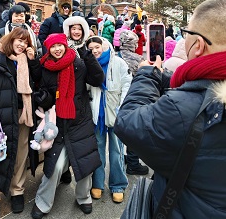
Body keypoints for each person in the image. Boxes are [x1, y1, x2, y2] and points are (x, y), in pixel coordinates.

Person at [114, 0, 226, 219]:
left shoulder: (181, 110)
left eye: (187, 34)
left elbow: (128, 122)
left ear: (198, 45)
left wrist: (146, 75)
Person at [31, 33, 104, 219]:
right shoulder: (46, 67)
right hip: (57, 122)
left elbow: (97, 79)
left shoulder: (78, 63)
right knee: (54, 166)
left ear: (65, 45)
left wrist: (87, 55)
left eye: (60, 45)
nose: (57, 49)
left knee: (84, 161)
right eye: (53, 46)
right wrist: (44, 98)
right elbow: (44, 90)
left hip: (79, 120)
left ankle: (83, 197)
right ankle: (43, 201)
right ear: (48, 49)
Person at [0, 27, 42, 219]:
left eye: (25, 42)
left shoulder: (27, 60)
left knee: (21, 154)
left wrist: (33, 62)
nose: (22, 44)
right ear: (11, 40)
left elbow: (38, 80)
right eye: (19, 40)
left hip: (24, 113)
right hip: (3, 115)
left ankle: (17, 190)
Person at [86, 36, 131, 203]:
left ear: (104, 46)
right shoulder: (89, 64)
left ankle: (118, 184)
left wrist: (123, 106)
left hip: (115, 112)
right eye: (91, 48)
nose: (95, 51)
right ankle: (97, 183)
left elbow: (127, 83)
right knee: (97, 149)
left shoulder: (118, 62)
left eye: (97, 47)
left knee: (117, 149)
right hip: (97, 114)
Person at [118, 30, 149, 176]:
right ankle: (132, 163)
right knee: (134, 131)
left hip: (116, 99)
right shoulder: (138, 59)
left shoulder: (115, 56)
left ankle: (121, 158)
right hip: (134, 99)